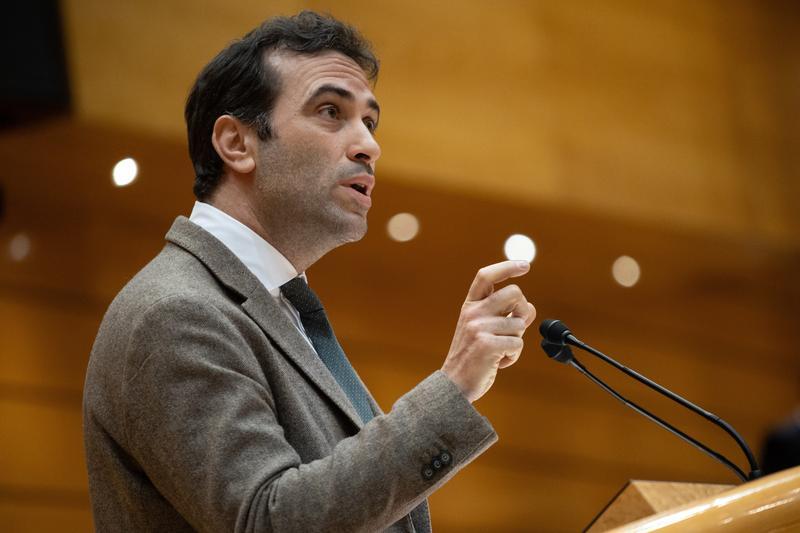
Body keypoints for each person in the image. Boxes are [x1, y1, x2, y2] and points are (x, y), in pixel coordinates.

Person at [83, 11, 535, 532]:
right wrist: (453, 386)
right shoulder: (177, 311)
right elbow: (269, 521)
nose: (369, 145)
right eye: (330, 112)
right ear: (237, 144)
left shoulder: (278, 306)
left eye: (369, 122)